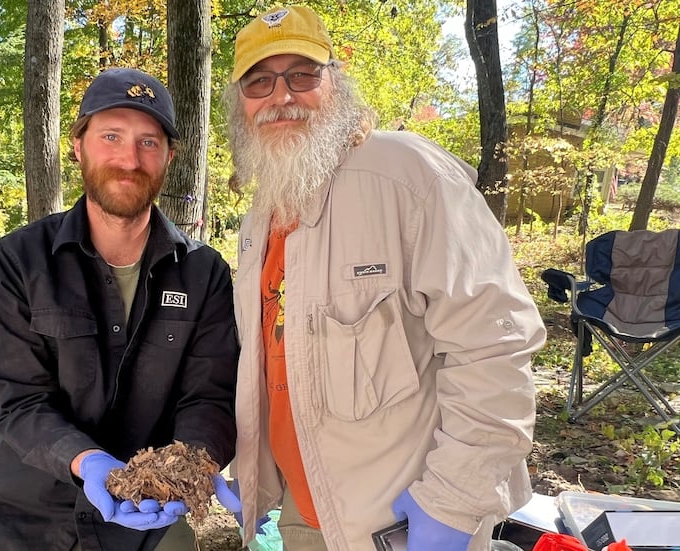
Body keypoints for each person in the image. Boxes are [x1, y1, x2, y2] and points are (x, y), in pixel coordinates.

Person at [224, 6, 547, 551]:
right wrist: (254, 477)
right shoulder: (261, 214)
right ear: (241, 103)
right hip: (306, 514)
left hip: (405, 520)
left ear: (335, 82)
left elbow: (496, 347)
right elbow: (275, 361)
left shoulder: (410, 176)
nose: (281, 96)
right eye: (260, 81)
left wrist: (452, 503)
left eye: (302, 74)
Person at [0, 68, 240, 551]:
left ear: (170, 157)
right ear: (78, 146)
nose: (129, 159)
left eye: (149, 142)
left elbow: (211, 397)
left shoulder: (204, 273)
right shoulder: (18, 260)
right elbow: (20, 402)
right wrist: (89, 461)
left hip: (147, 515)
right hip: (15, 516)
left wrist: (193, 464)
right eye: (111, 136)